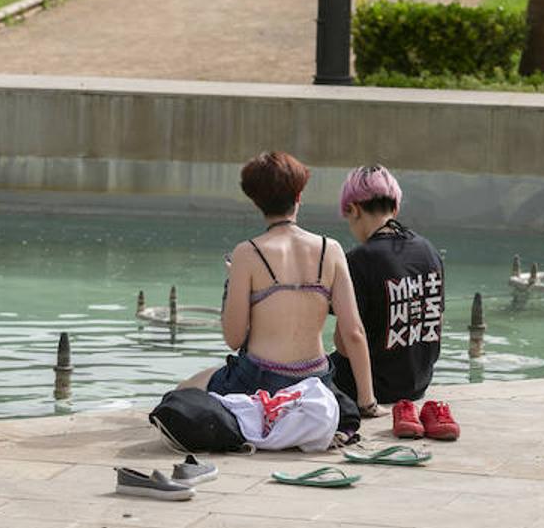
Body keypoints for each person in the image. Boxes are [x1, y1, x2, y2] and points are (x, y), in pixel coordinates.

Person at [179, 152, 380, 419]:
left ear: (256, 202)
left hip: (260, 382)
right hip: (316, 382)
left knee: (182, 392)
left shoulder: (246, 254)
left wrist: (234, 282)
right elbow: (354, 331)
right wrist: (367, 403)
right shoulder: (330, 249)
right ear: (298, 196)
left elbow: (233, 339)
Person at [329, 164, 460, 440]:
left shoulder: (358, 260)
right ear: (395, 209)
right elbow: (436, 321)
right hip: (418, 383)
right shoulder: (429, 251)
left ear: (353, 209)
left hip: (373, 386)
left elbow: (345, 342)